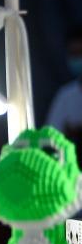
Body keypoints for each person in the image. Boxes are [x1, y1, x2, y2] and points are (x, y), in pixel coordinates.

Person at [47, 25, 82, 154]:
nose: (78, 59)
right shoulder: (65, 96)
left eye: (80, 53)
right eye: (74, 54)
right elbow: (50, 137)